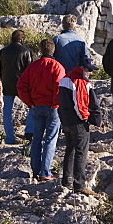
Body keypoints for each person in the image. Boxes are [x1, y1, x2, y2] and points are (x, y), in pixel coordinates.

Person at [17, 39, 66, 182]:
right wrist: (55, 104)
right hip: (52, 108)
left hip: (36, 107)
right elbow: (60, 87)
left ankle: (35, 170)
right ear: (53, 51)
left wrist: (29, 102)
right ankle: (45, 172)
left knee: (36, 139)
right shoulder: (58, 67)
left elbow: (21, 85)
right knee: (50, 140)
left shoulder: (33, 66)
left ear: (40, 51)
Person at [58, 55, 103, 195]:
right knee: (81, 152)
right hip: (78, 122)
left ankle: (66, 180)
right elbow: (80, 104)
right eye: (89, 69)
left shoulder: (64, 79)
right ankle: (79, 185)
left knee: (70, 149)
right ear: (83, 68)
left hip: (65, 120)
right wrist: (87, 118)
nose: (91, 72)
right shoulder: (81, 82)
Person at [0, 30, 34, 145]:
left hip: (6, 84)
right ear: (22, 39)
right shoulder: (26, 51)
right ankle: (29, 132)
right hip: (21, 85)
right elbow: (29, 71)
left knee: (7, 111)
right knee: (32, 106)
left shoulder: (3, 52)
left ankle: (9, 138)